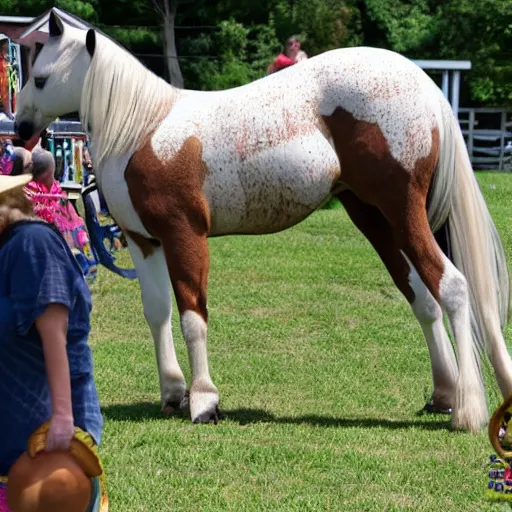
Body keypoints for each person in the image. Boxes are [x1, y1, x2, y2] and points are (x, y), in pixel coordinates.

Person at [0, 172, 106, 511]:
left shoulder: (33, 244)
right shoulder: (7, 248)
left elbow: (56, 329)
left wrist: (63, 418)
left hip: (42, 436)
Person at [23, 148, 97, 283]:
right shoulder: (39, 191)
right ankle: (83, 264)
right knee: (75, 233)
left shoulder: (47, 188)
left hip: (55, 231)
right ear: (49, 172)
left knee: (78, 231)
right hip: (51, 234)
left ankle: (85, 263)